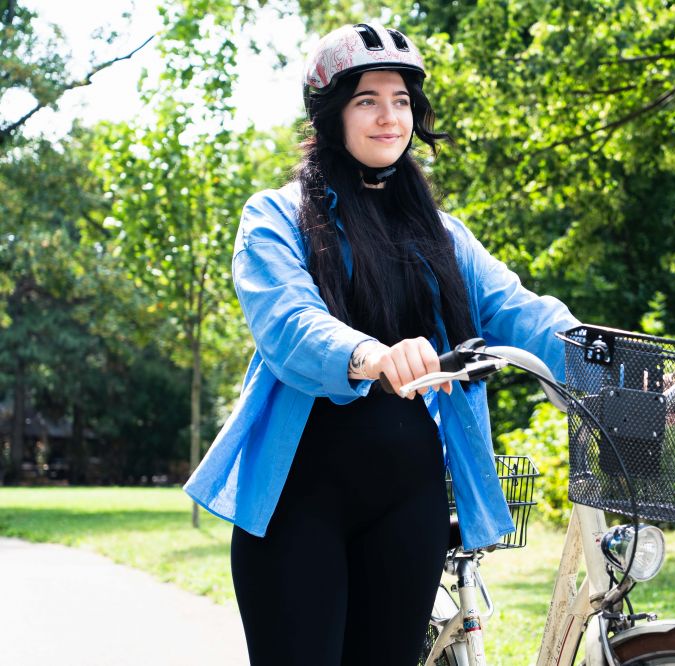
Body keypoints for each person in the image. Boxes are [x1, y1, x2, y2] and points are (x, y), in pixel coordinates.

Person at [183, 22, 579, 666]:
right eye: (367, 100)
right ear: (333, 114)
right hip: (298, 503)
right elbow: (289, 323)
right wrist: (373, 356)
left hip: (407, 500)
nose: (388, 117)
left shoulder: (442, 235)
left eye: (400, 101)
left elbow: (523, 314)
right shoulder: (275, 217)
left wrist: (615, 364)